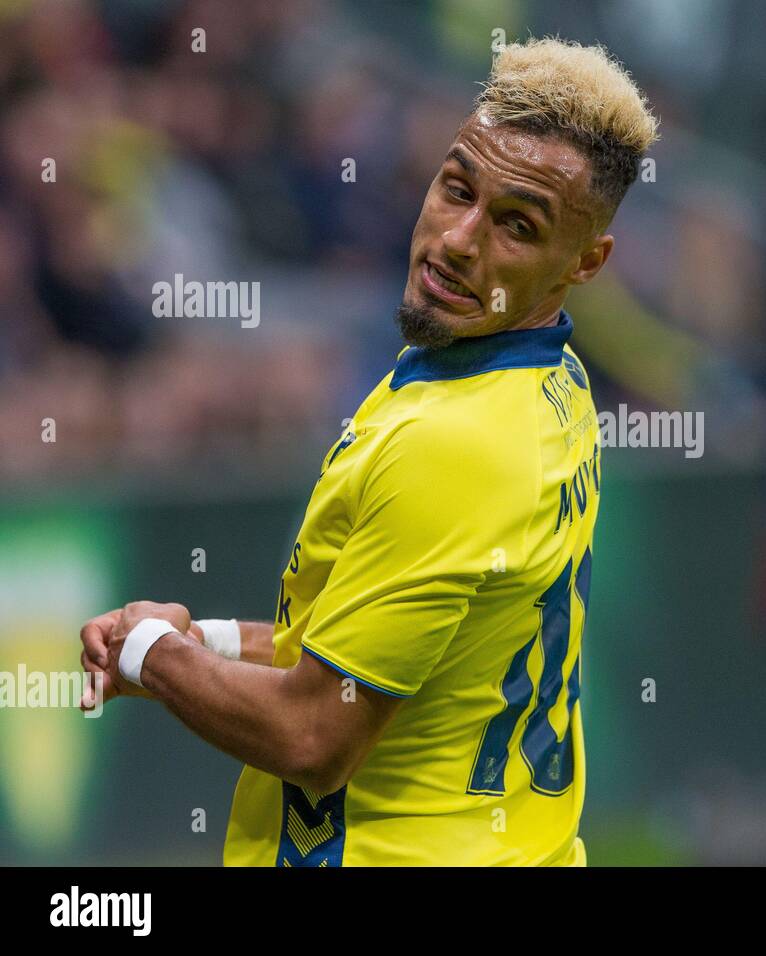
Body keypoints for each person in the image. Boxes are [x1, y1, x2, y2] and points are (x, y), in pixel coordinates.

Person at [77, 38, 659, 866]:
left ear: (586, 262)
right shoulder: (548, 379)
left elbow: (313, 732)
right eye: (457, 189)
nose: (458, 241)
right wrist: (194, 642)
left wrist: (152, 656)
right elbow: (364, 646)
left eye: (517, 227)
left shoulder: (455, 445)